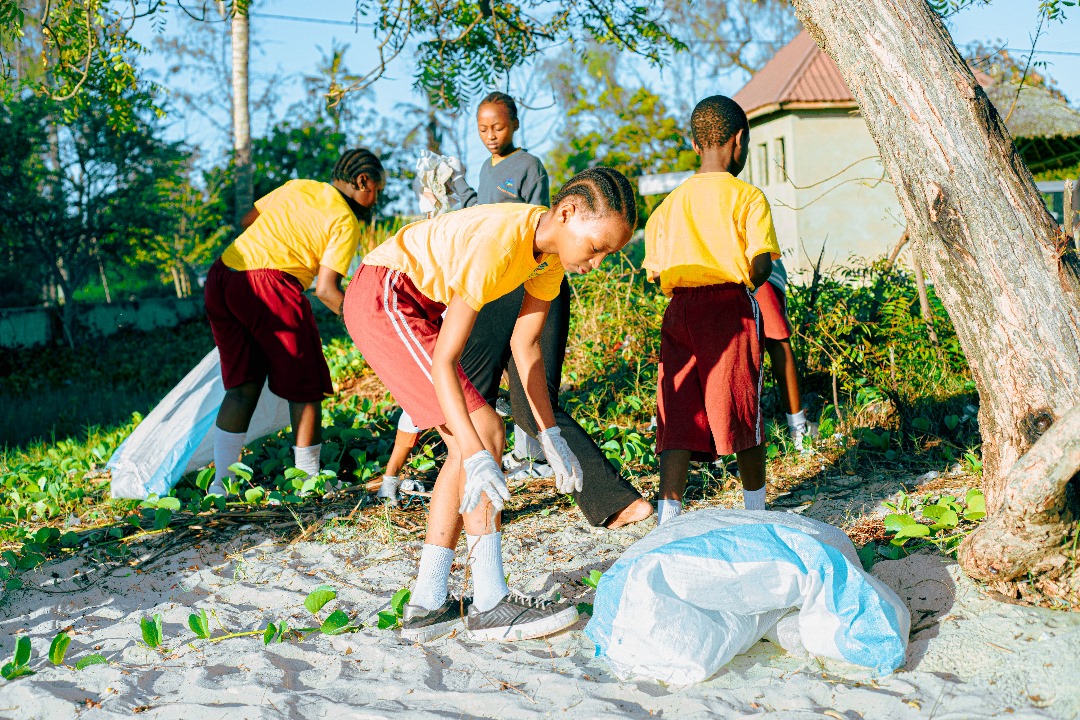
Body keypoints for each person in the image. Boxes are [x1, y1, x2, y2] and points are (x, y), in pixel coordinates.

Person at [344, 168, 638, 642]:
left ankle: (427, 604)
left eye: (610, 253)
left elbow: (527, 348)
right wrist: (480, 452)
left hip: (415, 302)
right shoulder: (499, 245)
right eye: (597, 246)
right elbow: (445, 360)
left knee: (473, 445)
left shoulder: (548, 260)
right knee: (484, 437)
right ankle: (489, 603)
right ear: (567, 214)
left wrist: (551, 435)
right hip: (386, 294)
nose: (598, 261)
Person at [444, 90, 653, 529]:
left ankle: (614, 501)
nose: (490, 135)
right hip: (492, 283)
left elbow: (536, 224)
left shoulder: (530, 168)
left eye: (497, 126)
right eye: (482, 128)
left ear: (514, 124)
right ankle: (472, 498)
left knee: (531, 404)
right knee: (470, 395)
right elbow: (484, 220)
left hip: (532, 282)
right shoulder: (484, 170)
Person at [204, 148, 385, 497]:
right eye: (376, 188)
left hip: (224, 275)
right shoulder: (346, 221)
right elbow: (328, 290)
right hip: (270, 283)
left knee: (243, 384)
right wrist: (366, 324)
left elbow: (247, 220)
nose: (375, 198)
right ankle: (308, 480)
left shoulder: (298, 186)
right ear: (362, 182)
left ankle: (220, 486)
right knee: (307, 381)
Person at [642, 95, 781, 524]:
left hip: (679, 310)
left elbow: (654, 271)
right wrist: (748, 279)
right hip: (728, 308)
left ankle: (669, 517)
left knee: (677, 410)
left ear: (695, 143)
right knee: (740, 406)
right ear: (738, 141)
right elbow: (760, 264)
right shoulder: (748, 196)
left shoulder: (668, 205)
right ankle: (755, 511)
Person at [754, 259, 816, 450]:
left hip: (746, 265)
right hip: (747, 263)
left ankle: (796, 428)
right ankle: (796, 428)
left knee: (772, 338)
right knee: (774, 340)